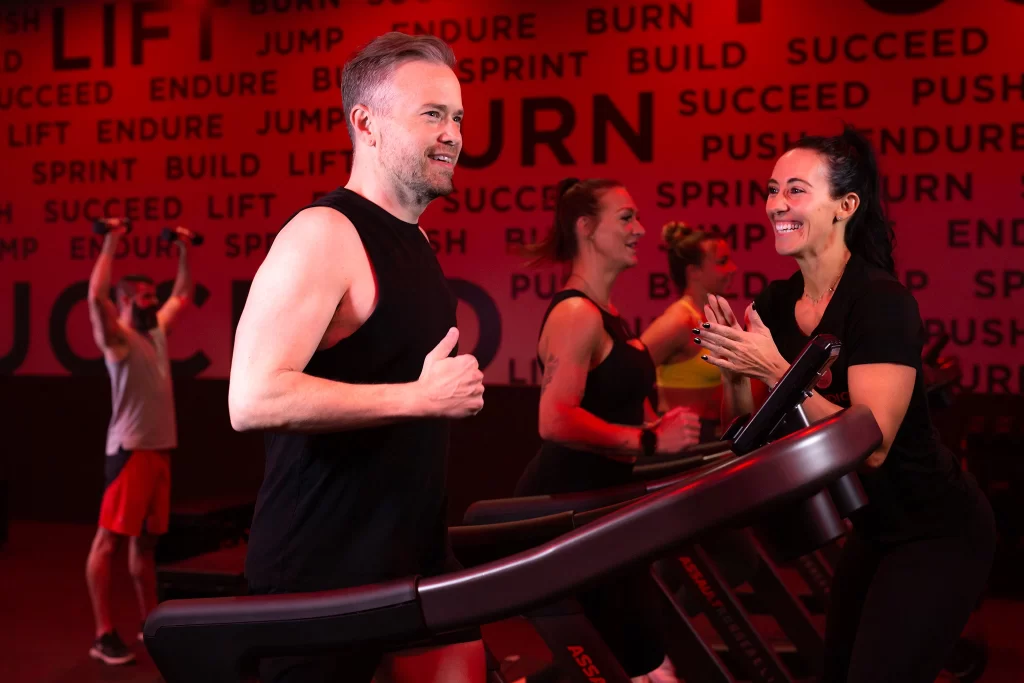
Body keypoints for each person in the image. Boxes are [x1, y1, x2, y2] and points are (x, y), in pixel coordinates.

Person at [694, 127, 996, 683]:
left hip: (937, 530)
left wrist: (774, 370)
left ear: (845, 207)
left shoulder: (880, 302)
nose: (776, 204)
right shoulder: (775, 303)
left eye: (796, 190)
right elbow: (747, 435)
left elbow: (873, 446)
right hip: (875, 530)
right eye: (771, 189)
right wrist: (737, 376)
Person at [228, 33, 486, 683]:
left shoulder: (417, 243)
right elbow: (252, 397)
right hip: (320, 578)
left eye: (456, 116)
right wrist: (418, 397)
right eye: (432, 114)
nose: (452, 133)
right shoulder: (324, 235)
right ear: (365, 123)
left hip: (412, 555)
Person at [514, 178, 701, 683]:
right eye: (626, 218)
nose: (641, 230)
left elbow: (617, 406)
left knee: (630, 656)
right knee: (619, 659)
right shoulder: (577, 313)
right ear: (586, 228)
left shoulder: (611, 317)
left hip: (604, 511)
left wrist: (659, 426)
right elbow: (554, 419)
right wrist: (647, 440)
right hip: (565, 510)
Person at [85, 222, 192, 665]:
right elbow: (94, 299)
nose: (154, 302)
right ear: (126, 301)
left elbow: (183, 294)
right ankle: (103, 634)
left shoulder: (156, 334)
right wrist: (110, 243)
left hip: (159, 451)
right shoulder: (119, 341)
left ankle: (151, 626)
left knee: (145, 546)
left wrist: (185, 251)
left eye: (153, 296)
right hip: (129, 452)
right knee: (107, 544)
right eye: (146, 297)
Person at [641, 221, 737, 441]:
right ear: (694, 271)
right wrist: (653, 426)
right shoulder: (679, 321)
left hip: (714, 438)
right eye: (722, 262)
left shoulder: (715, 317)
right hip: (684, 445)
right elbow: (624, 373)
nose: (733, 268)